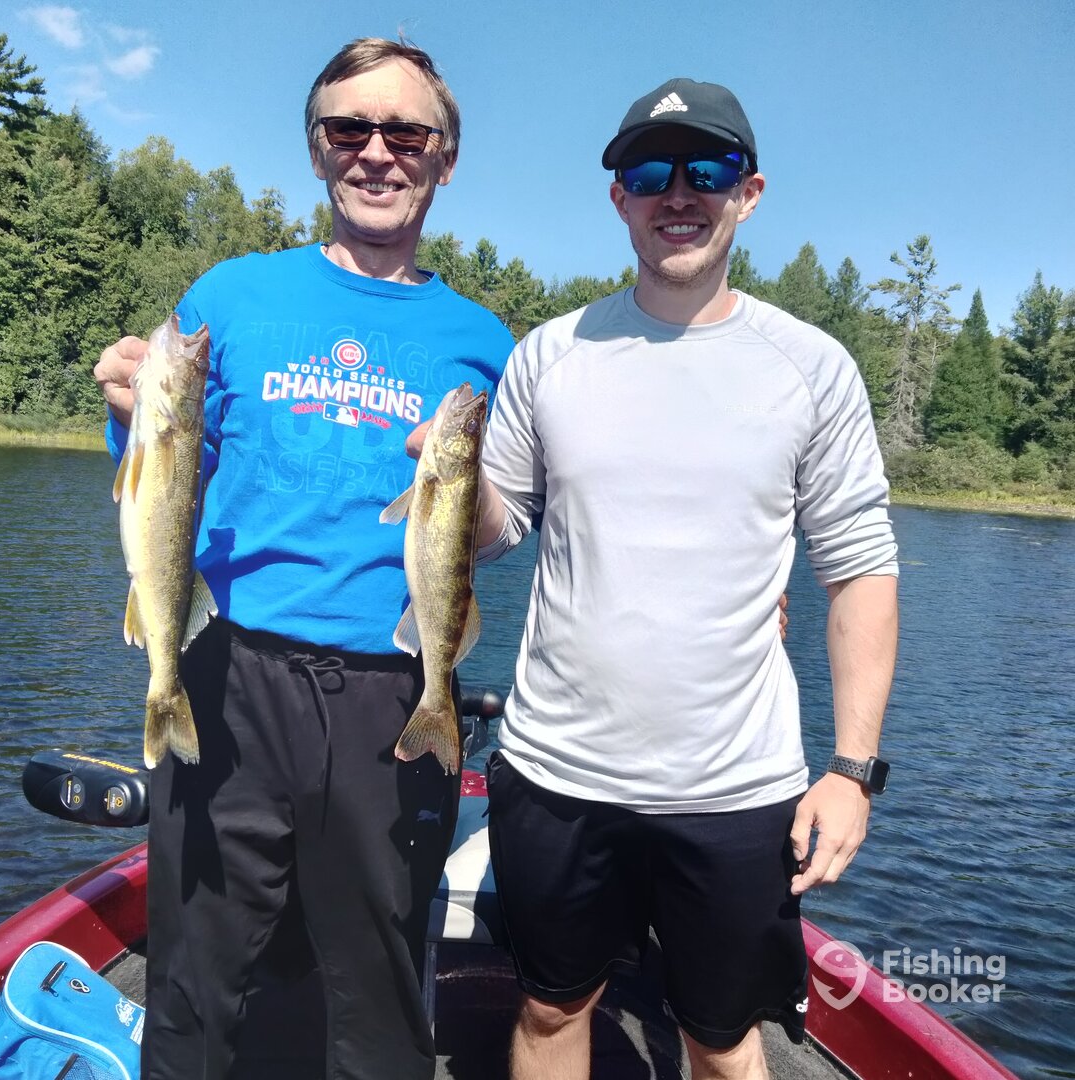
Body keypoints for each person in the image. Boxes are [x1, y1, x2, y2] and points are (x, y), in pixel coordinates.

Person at [93, 37, 514, 1080]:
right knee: (194, 978)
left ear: (446, 156)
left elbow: (502, 531)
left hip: (389, 692)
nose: (377, 152)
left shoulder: (484, 342)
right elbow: (167, 471)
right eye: (348, 129)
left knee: (376, 990)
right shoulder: (232, 296)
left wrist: (470, 492)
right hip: (227, 673)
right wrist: (128, 407)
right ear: (317, 149)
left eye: (405, 132)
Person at [472, 78, 900, 1079]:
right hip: (556, 772)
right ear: (617, 196)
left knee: (724, 1038)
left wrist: (851, 772)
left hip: (736, 789)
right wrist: (446, 482)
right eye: (648, 171)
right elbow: (499, 528)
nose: (678, 193)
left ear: (748, 192)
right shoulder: (550, 354)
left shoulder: (811, 366)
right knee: (549, 1009)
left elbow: (859, 572)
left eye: (706, 170)